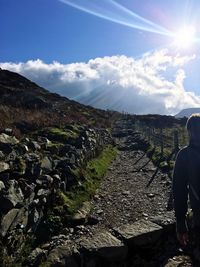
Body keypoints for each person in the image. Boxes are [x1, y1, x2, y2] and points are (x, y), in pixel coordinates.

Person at [173, 114, 200, 247]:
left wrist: (180, 223)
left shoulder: (184, 155)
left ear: (188, 131)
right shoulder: (185, 155)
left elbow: (179, 191)